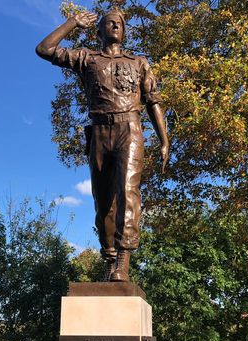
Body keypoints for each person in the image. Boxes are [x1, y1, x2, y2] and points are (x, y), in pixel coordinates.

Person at [36, 9, 169, 282]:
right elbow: (44, 49)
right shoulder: (87, 58)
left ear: (124, 29)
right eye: (108, 22)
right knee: (103, 202)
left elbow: (153, 101)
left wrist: (164, 139)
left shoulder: (139, 62)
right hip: (98, 131)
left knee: (127, 192)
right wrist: (73, 22)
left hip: (129, 129)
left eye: (119, 23)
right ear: (99, 30)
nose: (114, 26)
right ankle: (109, 258)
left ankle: (123, 260)